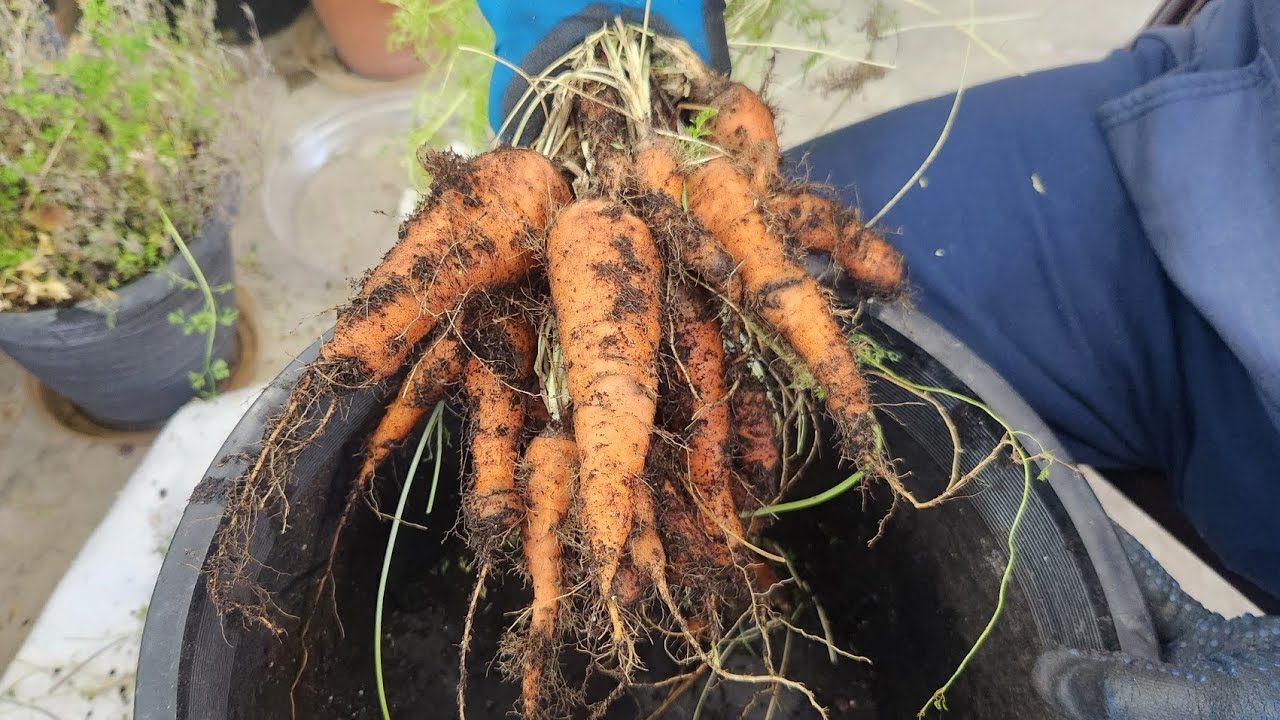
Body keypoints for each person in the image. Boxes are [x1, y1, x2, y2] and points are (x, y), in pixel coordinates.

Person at [475, 1, 1280, 717]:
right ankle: (743, 559)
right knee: (784, 263)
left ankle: (751, 568)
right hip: (1233, 120)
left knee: (766, 328)